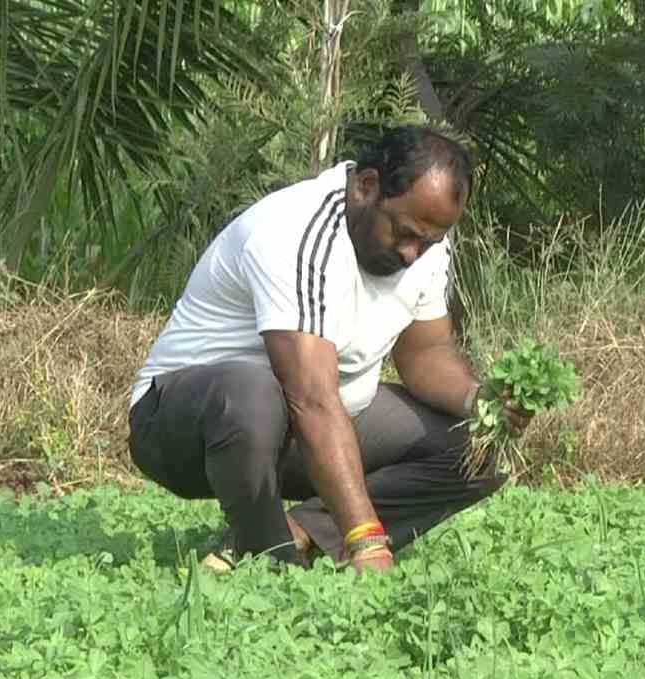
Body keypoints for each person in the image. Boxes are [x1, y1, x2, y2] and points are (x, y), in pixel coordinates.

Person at [126, 125, 532, 574]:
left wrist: (480, 399)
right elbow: (310, 396)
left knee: (479, 447)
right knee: (255, 390)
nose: (413, 254)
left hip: (304, 429)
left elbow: (426, 352)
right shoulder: (293, 229)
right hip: (185, 427)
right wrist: (366, 541)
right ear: (366, 186)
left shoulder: (426, 242)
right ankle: (269, 563)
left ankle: (297, 530)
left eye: (429, 242)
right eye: (405, 233)